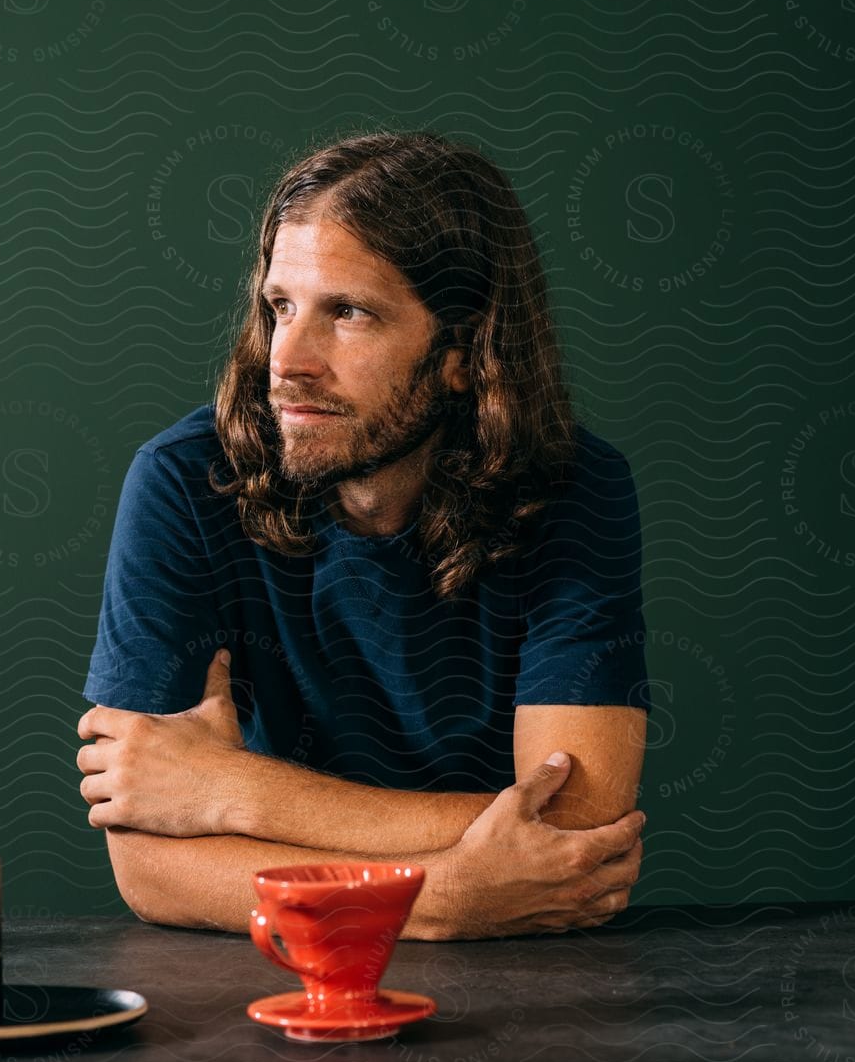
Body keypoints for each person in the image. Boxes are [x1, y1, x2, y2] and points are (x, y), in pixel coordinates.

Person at [76, 130, 650, 939]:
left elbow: (575, 833)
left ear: (461, 352)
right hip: (272, 987)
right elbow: (154, 873)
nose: (289, 360)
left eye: (347, 312)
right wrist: (432, 898)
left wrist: (232, 791)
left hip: (524, 983)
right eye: (281, 307)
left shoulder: (571, 487)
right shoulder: (184, 481)